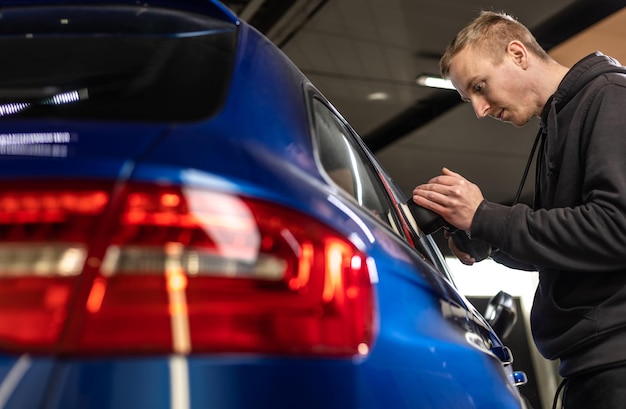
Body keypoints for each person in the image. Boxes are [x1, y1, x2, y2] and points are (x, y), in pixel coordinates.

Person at [411, 10, 626, 409]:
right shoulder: (560, 121)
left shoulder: (611, 96)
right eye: (469, 98)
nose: (479, 109)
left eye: (480, 86)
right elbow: (570, 249)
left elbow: (616, 228)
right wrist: (487, 239)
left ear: (517, 53)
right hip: (592, 364)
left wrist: (485, 216)